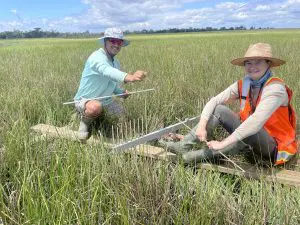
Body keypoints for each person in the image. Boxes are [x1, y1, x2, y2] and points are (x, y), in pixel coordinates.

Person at [160, 43, 297, 166]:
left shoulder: (275, 88)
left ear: (268, 64)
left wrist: (222, 143)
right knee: (219, 109)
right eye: (248, 63)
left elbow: (255, 123)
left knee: (188, 158)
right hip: (248, 137)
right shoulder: (245, 83)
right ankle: (184, 145)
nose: (252, 67)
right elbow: (214, 101)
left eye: (258, 62)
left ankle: (197, 156)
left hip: (273, 147)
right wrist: (202, 126)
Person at [74, 27, 147, 141]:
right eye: (113, 41)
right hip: (85, 100)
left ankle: (126, 134)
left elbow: (111, 83)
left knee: (124, 116)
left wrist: (121, 93)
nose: (116, 45)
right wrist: (130, 77)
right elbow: (107, 71)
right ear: (105, 41)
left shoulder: (115, 62)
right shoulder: (97, 57)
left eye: (119, 42)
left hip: (106, 101)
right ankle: (84, 123)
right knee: (95, 108)